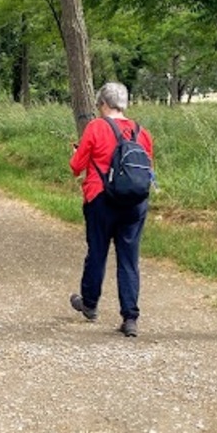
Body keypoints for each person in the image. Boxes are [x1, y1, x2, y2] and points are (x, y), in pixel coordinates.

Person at [68, 82, 154, 337]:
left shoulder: (96, 127)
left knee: (97, 252)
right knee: (129, 259)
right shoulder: (142, 132)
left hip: (100, 198)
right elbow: (147, 169)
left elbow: (76, 166)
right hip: (135, 203)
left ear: (103, 103)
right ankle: (130, 318)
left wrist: (75, 153)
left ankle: (90, 304)